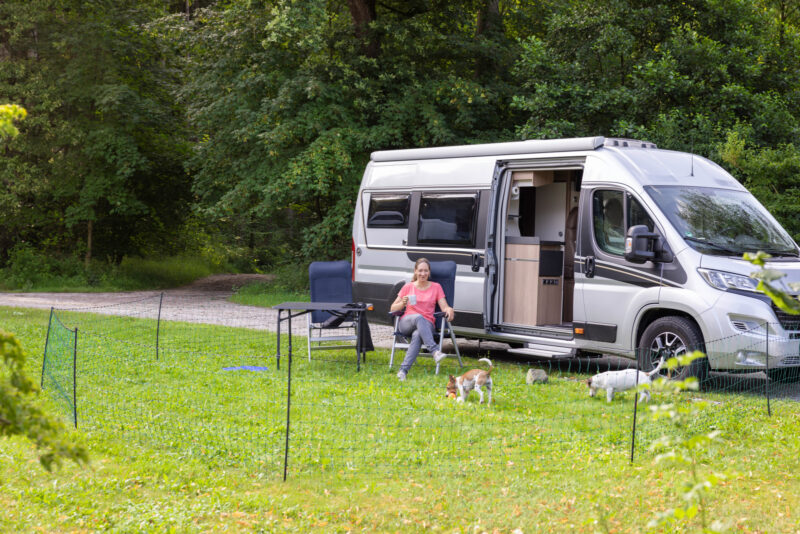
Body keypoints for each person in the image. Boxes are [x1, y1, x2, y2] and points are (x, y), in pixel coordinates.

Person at [390, 258, 455, 381]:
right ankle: (435, 351)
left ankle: (403, 371)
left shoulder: (436, 287)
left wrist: (449, 310)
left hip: (427, 325)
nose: (423, 274)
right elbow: (393, 308)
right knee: (419, 317)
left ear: (429, 272)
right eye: (420, 271)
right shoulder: (408, 287)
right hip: (406, 323)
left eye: (425, 271)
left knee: (418, 334)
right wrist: (403, 304)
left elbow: (444, 306)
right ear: (415, 271)